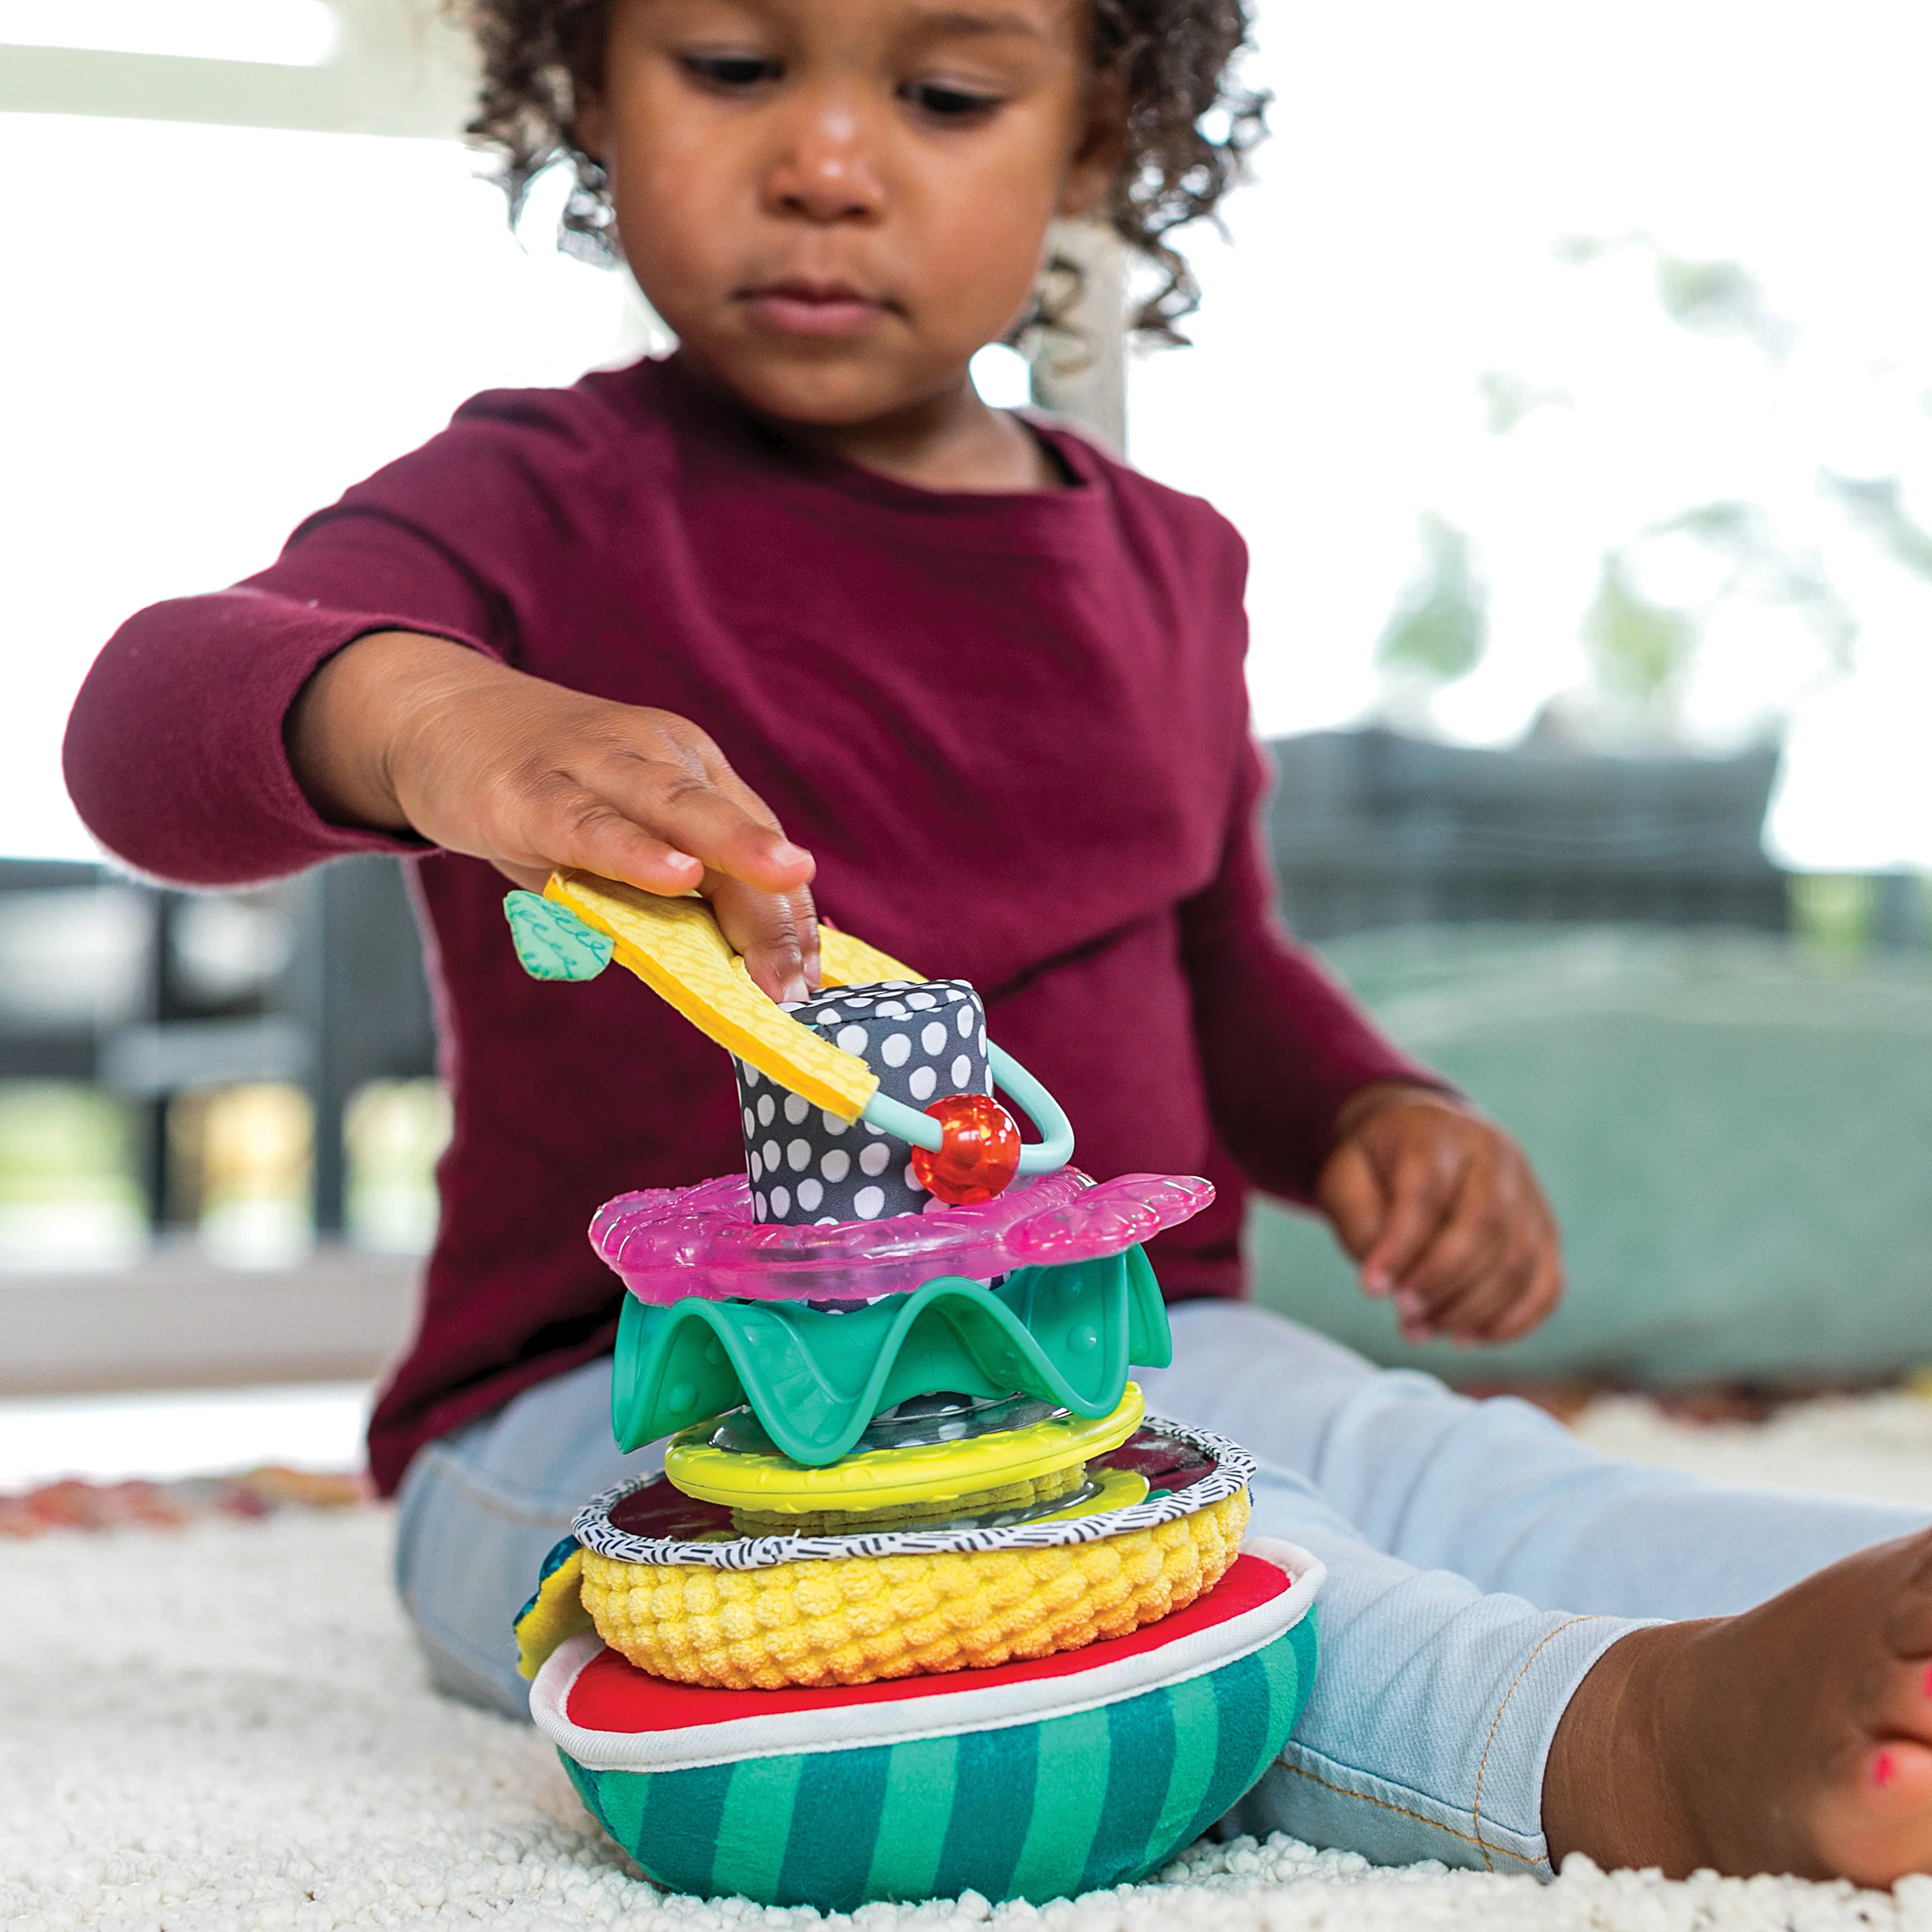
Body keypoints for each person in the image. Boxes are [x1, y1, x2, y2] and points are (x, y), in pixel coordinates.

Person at [61, 0, 1932, 1890]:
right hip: (641, 1421)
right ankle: (1637, 1744)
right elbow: (151, 717)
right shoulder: (533, 497)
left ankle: (1866, 1609)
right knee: (1159, 1590)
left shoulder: (1170, 560)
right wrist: (438, 720)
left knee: (1472, 1473)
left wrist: (1370, 1108)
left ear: (1097, 136)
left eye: (945, 95)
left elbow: (1217, 959)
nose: (826, 164)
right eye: (734, 69)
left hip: (1133, 1346)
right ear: (591, 86)